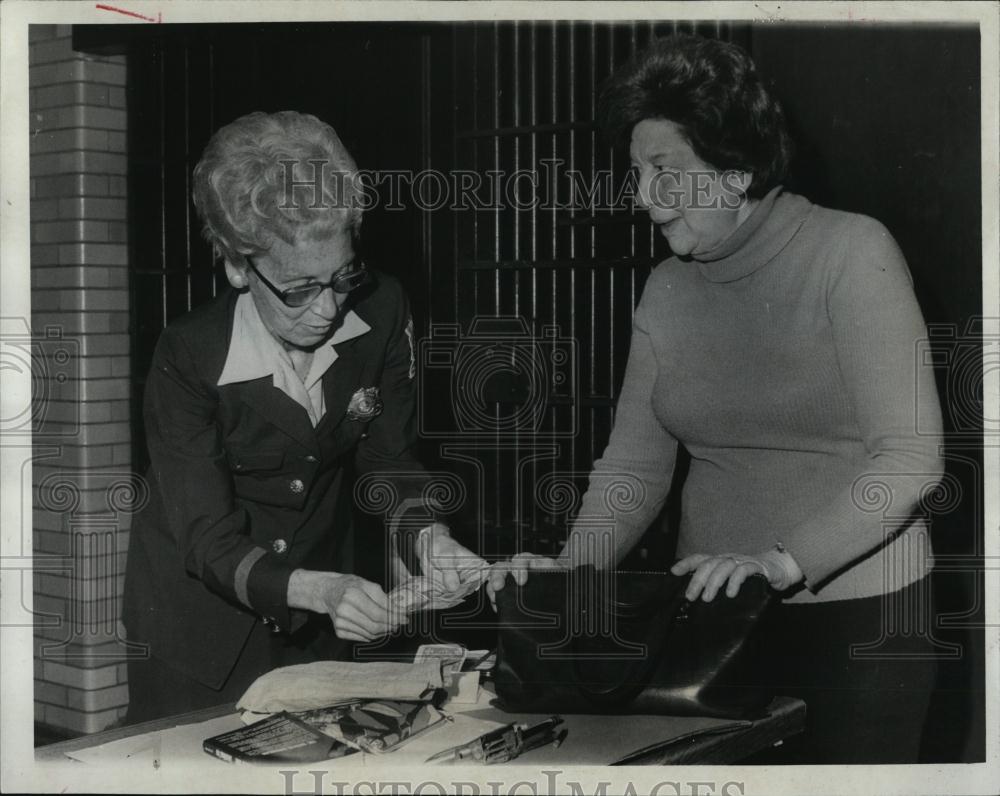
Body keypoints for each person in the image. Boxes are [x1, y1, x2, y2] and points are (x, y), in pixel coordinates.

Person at [488, 34, 945, 763]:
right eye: (636, 173)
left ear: (736, 173)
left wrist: (780, 561)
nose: (641, 197)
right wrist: (574, 575)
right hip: (708, 627)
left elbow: (913, 458)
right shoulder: (667, 288)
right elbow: (635, 467)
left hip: (861, 623)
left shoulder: (852, 253)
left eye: (665, 172)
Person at [123, 111, 484, 723]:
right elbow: (209, 540)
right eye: (299, 288)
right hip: (200, 633)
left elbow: (389, 461)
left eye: (343, 276)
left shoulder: (383, 309)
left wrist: (428, 536)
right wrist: (320, 589)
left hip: (321, 626)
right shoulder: (187, 355)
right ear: (239, 266)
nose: (328, 310)